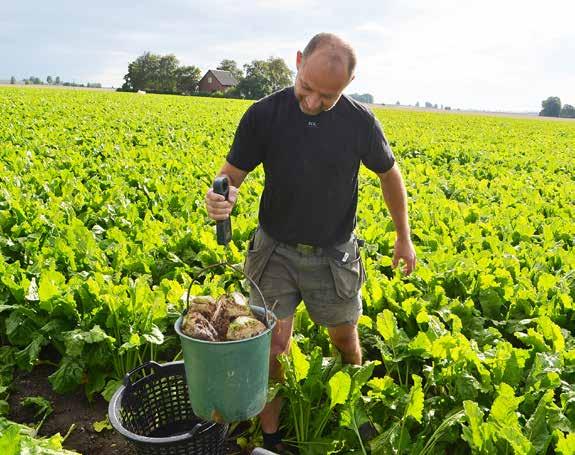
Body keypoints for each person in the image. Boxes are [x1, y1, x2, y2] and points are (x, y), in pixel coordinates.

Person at [205, 32, 416, 453]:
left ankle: (350, 414)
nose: (314, 102)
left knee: (344, 338)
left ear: (347, 87)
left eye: (328, 96)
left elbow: (389, 174)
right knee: (273, 344)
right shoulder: (264, 115)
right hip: (275, 249)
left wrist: (403, 237)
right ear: (298, 61)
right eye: (307, 89)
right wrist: (220, 199)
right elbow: (232, 174)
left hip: (333, 255)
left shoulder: (359, 122)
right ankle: (271, 436)